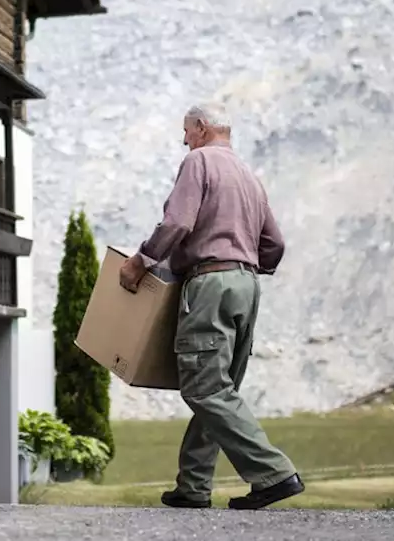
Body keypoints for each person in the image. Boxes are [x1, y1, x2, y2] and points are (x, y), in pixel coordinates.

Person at [119, 102, 301, 510]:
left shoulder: (198, 162)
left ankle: (274, 473)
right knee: (219, 388)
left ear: (201, 128)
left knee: (204, 387)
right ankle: (193, 487)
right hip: (247, 285)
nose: (184, 140)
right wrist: (244, 266)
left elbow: (178, 222)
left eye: (186, 131)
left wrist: (141, 261)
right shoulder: (249, 177)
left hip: (210, 284)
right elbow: (276, 244)